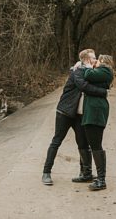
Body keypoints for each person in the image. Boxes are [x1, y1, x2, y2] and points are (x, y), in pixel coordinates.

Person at [42, 49, 109, 185]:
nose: (96, 60)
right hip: (65, 112)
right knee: (57, 141)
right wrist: (103, 92)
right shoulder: (77, 71)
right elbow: (84, 86)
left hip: (79, 115)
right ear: (85, 60)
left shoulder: (90, 72)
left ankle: (85, 173)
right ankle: (46, 173)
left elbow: (101, 79)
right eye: (93, 58)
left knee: (83, 144)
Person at [81, 54, 115, 191]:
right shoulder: (101, 73)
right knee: (94, 144)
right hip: (93, 111)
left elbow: (88, 75)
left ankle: (101, 180)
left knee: (96, 145)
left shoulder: (105, 71)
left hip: (95, 112)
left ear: (103, 62)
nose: (95, 62)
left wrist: (88, 66)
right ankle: (99, 178)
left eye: (98, 60)